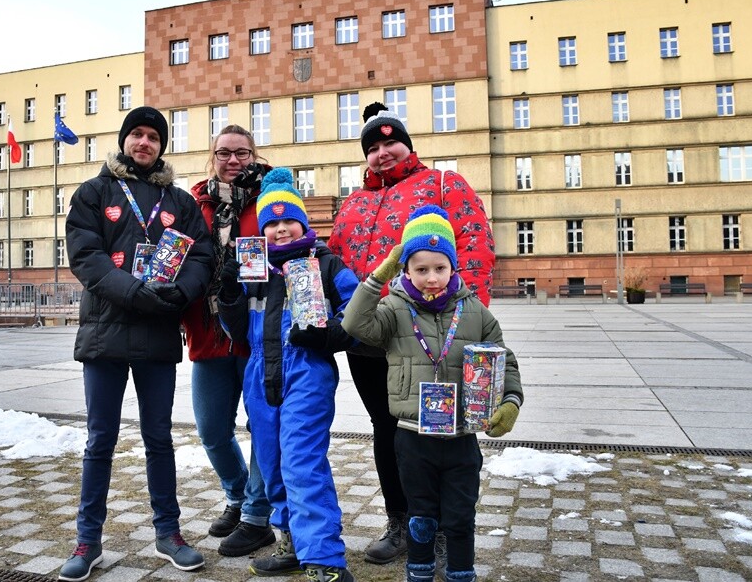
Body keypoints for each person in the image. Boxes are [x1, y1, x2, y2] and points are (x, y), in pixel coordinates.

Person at [327, 103, 496, 564]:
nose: (382, 153)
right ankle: (401, 521)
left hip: (432, 336)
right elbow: (335, 262)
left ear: (408, 145)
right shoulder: (354, 202)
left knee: (441, 430)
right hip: (370, 340)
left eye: (390, 143)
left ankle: (442, 527)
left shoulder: (442, 185)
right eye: (373, 148)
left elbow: (475, 244)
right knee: (388, 430)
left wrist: (468, 319)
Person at [60, 106, 213, 581]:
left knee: (159, 438)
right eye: (137, 135)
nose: (144, 143)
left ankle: (169, 533)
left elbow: (202, 255)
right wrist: (134, 291)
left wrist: (179, 291)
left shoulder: (179, 201)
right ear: (125, 140)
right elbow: (86, 256)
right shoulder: (94, 192)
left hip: (157, 334)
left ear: (161, 146)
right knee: (100, 440)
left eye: (153, 137)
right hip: (105, 333)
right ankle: (88, 542)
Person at [341, 205, 523, 582]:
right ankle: (419, 572)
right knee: (420, 514)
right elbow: (354, 323)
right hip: (412, 436)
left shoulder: (475, 312)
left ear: (452, 267)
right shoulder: (393, 309)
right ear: (405, 269)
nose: (431, 278)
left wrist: (510, 401)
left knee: (460, 515)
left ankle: (460, 573)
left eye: (440, 268)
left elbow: (504, 361)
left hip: (461, 437)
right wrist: (378, 276)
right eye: (420, 269)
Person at [218, 168, 360, 582]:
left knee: (302, 463)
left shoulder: (326, 263)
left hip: (307, 371)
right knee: (273, 462)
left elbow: (357, 315)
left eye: (288, 220)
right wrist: (228, 294)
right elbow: (238, 331)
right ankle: (293, 542)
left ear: (303, 222)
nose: (281, 230)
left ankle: (325, 560)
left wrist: (327, 334)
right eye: (272, 223)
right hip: (261, 374)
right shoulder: (254, 268)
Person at [182, 125, 275, 556]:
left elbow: (296, 246)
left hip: (257, 332)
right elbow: (176, 254)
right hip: (208, 331)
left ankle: (257, 512)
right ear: (212, 156)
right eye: (224, 153)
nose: (233, 160)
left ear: (254, 155)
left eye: (242, 152)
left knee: (262, 426)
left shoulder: (272, 196)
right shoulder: (192, 203)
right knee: (212, 428)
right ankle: (237, 494)